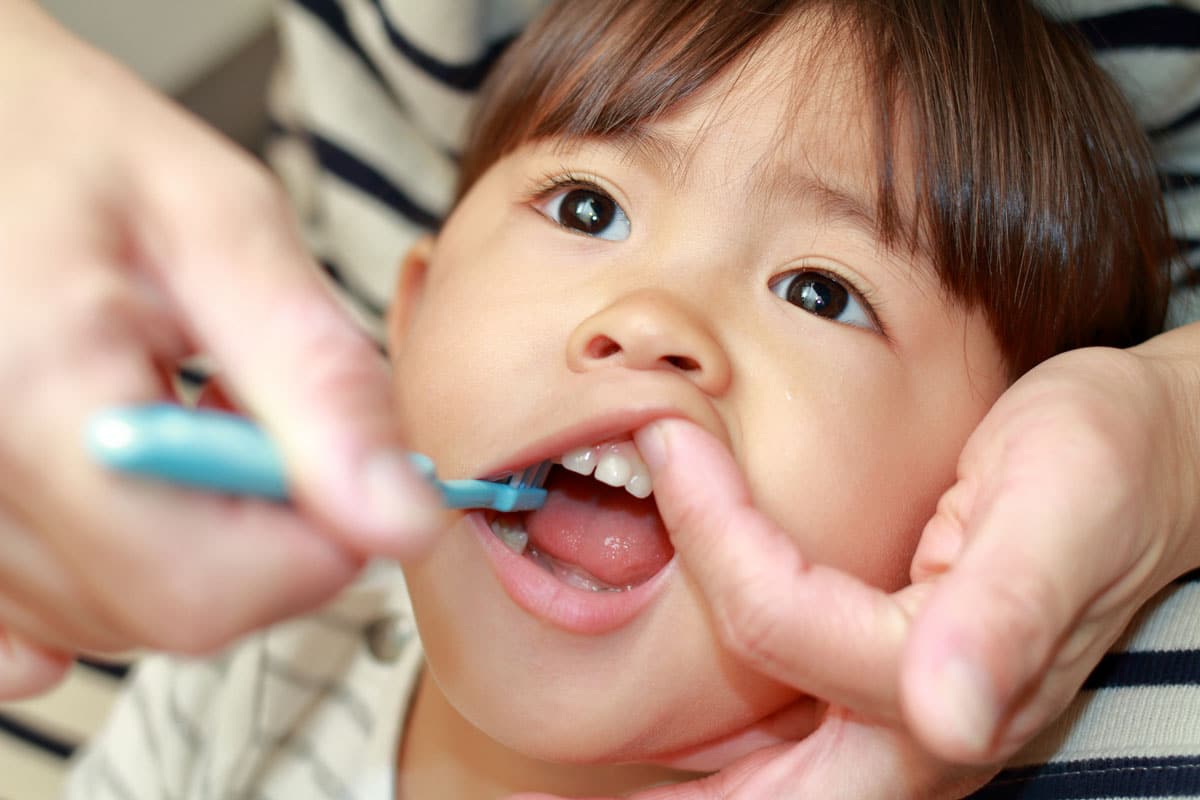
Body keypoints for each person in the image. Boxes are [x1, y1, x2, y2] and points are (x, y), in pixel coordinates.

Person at [55, 1, 1189, 798]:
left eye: (821, 290)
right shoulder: (267, 657)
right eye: (590, 210)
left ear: (967, 509)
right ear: (404, 323)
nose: (657, 319)